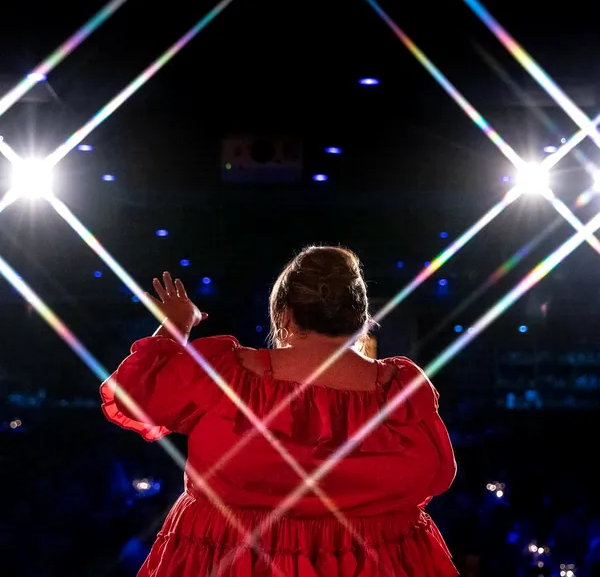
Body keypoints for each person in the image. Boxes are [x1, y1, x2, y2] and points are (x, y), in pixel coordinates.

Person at [101, 246, 457, 576]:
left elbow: (134, 396)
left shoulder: (227, 373)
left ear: (285, 314)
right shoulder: (401, 389)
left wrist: (177, 324)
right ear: (360, 318)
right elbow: (438, 475)